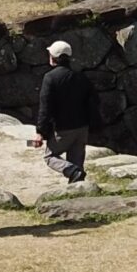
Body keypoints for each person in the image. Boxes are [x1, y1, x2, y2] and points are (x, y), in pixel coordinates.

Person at [27, 40, 93, 181]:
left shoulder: (50, 78)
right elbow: (92, 102)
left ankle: (73, 172)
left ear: (53, 57)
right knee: (77, 164)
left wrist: (40, 132)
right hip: (82, 127)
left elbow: (45, 108)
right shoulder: (81, 76)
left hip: (63, 129)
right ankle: (77, 185)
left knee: (50, 156)